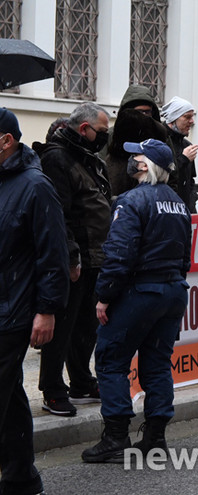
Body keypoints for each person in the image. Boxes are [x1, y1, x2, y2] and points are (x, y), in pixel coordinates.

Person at [82, 139, 191, 463]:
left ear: (145, 166)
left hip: (141, 292)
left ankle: (115, 438)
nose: (131, 160)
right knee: (157, 364)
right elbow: (185, 256)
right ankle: (155, 437)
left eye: (136, 156)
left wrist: (104, 296)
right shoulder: (179, 203)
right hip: (172, 292)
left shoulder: (130, 201)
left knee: (111, 360)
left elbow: (118, 255)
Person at [0, 108, 69, 495]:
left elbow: (53, 255)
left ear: (6, 141)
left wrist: (46, 310)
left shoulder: (35, 185)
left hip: (14, 312)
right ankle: (21, 479)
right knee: (9, 400)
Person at [36, 102, 113, 417]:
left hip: (96, 254)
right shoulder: (57, 159)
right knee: (62, 326)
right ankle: (53, 389)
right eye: (102, 132)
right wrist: (70, 257)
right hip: (75, 259)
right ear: (85, 129)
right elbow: (59, 215)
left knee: (86, 327)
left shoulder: (87, 157)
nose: (104, 138)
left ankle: (81, 382)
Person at [103, 84, 168, 197]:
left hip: (151, 198)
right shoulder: (111, 135)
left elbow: (170, 170)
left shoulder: (159, 134)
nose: (143, 116)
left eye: (147, 112)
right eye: (139, 112)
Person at [161, 96, 198, 211]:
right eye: (187, 117)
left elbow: (190, 180)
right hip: (165, 209)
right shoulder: (160, 142)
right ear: (173, 120)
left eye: (192, 117)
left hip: (184, 210)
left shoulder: (187, 145)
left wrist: (191, 206)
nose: (192, 121)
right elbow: (160, 176)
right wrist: (183, 159)